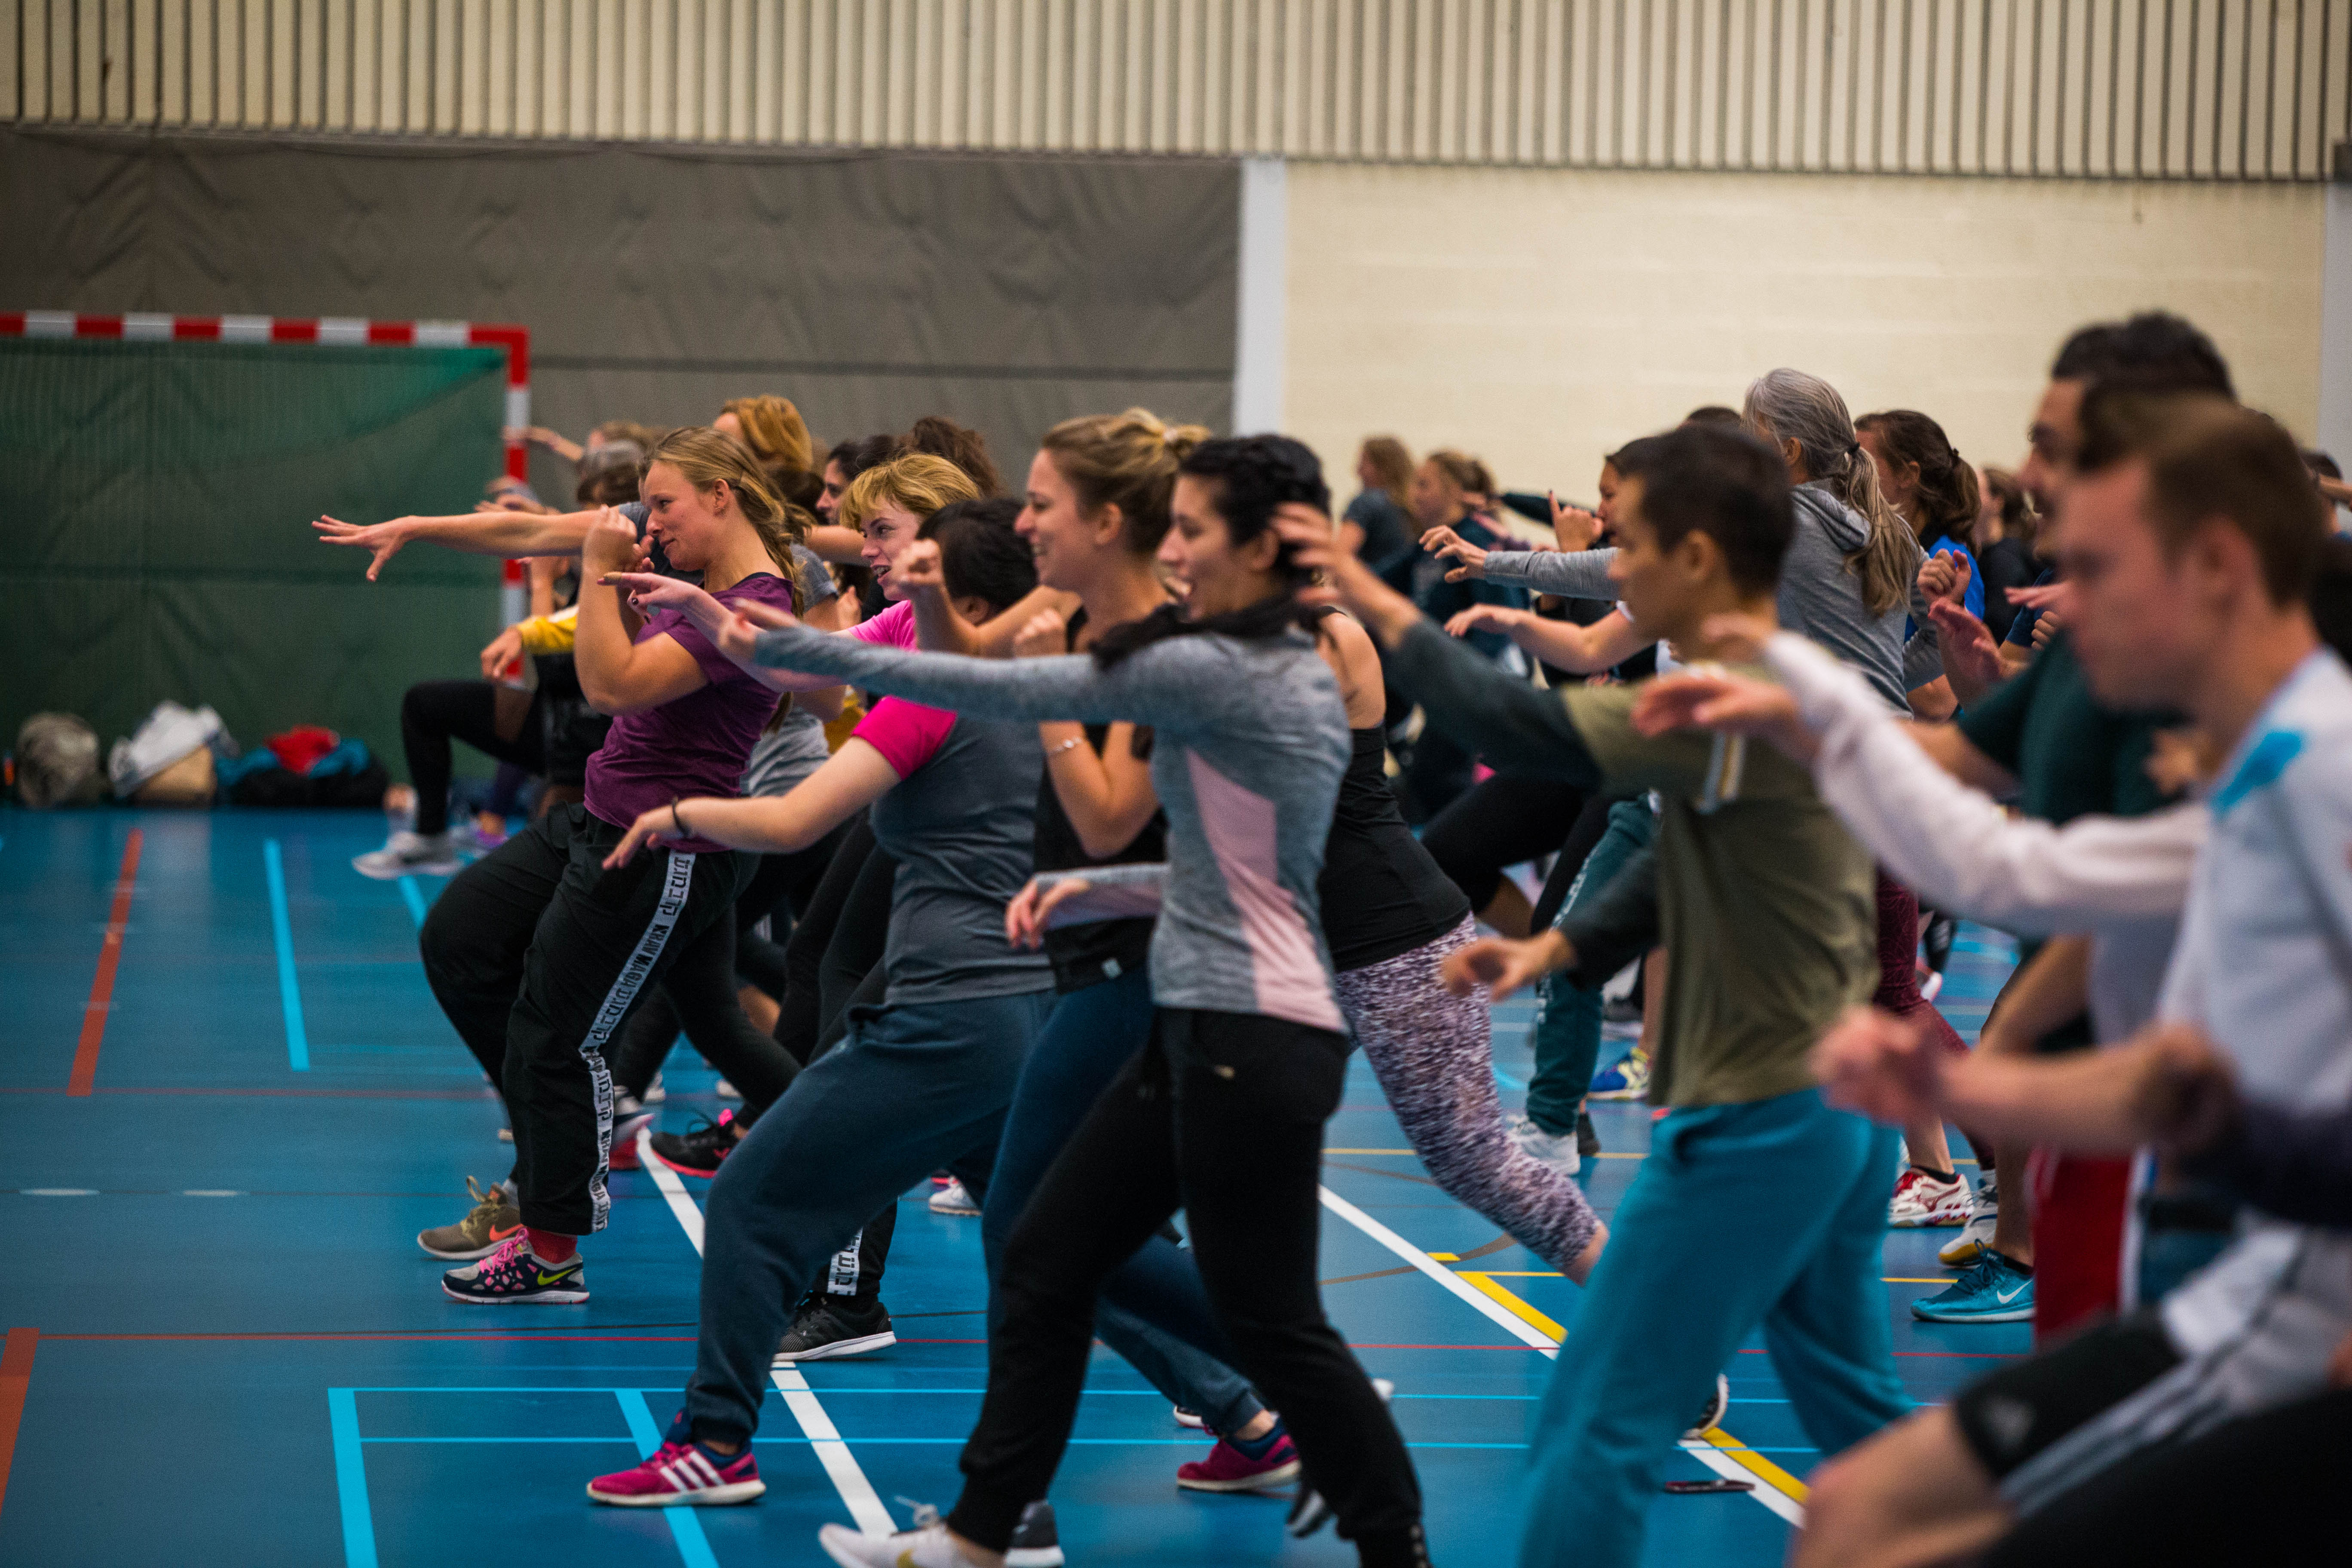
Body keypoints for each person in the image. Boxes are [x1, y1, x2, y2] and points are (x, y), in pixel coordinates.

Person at [728, 435, 1426, 1568]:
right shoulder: (1197, 651)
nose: (1176, 548)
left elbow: (1091, 778)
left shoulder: (1239, 665)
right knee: (1048, 1250)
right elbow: (995, 691)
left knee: (1254, 1314)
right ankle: (991, 1528)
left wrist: (1081, 808)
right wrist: (1098, 885)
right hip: (1196, 1009)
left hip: (1254, 1026)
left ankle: (1374, 1512)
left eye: (1194, 531)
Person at [1287, 422, 1909, 1568]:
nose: (1613, 570)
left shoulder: (1737, 697)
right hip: (1838, 1119)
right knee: (1863, 1425)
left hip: (1765, 1119)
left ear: (1699, 558)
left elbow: (1520, 725)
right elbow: (1687, 861)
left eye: (1633, 549)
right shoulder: (1780, 685)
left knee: (1594, 1424)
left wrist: (1366, 595)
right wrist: (1553, 952)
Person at [1785, 394, 2350, 1568]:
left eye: (2096, 571)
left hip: (2292, 1322)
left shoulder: (2317, 771)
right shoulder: (2256, 760)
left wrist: (1813, 706)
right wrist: (1965, 1088)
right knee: (1853, 1513)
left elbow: (2019, 875)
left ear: (2215, 566)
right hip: (2223, 1273)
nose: (2058, 598)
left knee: (1873, 1523)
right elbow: (2061, 908)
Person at [582, 496, 1060, 1512]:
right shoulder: (1043, 689)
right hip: (1024, 1013)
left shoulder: (935, 696)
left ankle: (715, 1441)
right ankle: (1246, 1410)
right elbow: (817, 660)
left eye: (920, 568)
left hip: (944, 1018)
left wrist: (679, 812)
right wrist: (708, 615)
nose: (892, 572)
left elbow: (796, 819)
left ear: (972, 600)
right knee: (1062, 1241)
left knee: (750, 1197)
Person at [389, 428, 802, 1302]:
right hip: (598, 818)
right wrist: (417, 525)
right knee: (460, 937)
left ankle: (549, 1245)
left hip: (661, 851)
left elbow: (611, 686)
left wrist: (592, 573)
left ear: (721, 495)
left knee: (556, 1029)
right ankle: (565, 1132)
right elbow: (528, 534)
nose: (651, 520)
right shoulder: (691, 571)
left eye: (664, 503)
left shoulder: (753, 605)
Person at [1339, 435, 1419, 594]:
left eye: (1364, 464)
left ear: (1384, 467)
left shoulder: (1366, 503)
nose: (1358, 471)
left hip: (1373, 593)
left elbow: (1340, 555)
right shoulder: (1415, 506)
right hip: (1411, 597)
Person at [1972, 464, 2042, 643]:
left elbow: (1997, 630)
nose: (1965, 497)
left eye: (1974, 491)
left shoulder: (2005, 559)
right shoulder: (1987, 553)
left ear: (1997, 502)